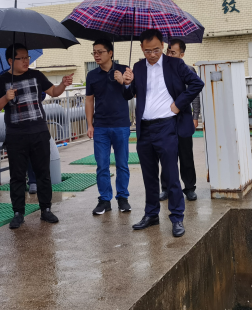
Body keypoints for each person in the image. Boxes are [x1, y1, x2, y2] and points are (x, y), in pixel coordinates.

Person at [116, 29, 204, 238]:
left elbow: (197, 83)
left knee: (171, 174)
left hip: (167, 126)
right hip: (144, 128)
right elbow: (129, 94)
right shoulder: (138, 67)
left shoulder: (175, 64)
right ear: (141, 48)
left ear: (163, 46)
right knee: (149, 175)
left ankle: (177, 217)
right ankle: (151, 214)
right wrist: (126, 83)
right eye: (148, 51)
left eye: (156, 50)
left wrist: (178, 104)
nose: (152, 54)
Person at [0, 43, 73, 229]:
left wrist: (63, 84)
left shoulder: (36, 75)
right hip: (15, 134)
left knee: (43, 172)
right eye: (21, 58)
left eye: (27, 57)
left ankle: (46, 209)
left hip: (39, 132)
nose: (26, 61)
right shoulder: (0, 81)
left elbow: (54, 92)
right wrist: (5, 98)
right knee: (17, 175)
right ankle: (18, 212)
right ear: (10, 61)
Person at [85, 39, 132, 215]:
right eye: (94, 52)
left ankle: (123, 198)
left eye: (100, 52)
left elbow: (131, 94)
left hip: (121, 124)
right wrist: (90, 124)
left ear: (110, 53)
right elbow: (89, 100)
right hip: (101, 127)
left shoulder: (124, 70)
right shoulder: (92, 75)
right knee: (102, 165)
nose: (96, 55)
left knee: (122, 164)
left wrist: (124, 82)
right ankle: (105, 200)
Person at [159, 39, 200, 202]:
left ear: (181, 55)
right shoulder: (160, 70)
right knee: (166, 155)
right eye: (168, 52)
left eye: (173, 52)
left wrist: (195, 116)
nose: (169, 55)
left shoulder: (188, 69)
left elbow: (195, 94)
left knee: (186, 155)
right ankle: (166, 188)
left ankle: (189, 188)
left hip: (183, 118)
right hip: (164, 119)